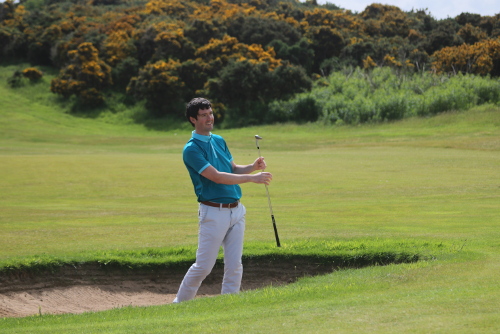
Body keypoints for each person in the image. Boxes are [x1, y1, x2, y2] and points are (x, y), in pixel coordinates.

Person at [173, 97, 273, 303]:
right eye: (203, 115)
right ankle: (178, 305)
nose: (209, 118)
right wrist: (252, 178)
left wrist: (252, 166)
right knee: (203, 267)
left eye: (210, 113)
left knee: (235, 265)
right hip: (213, 212)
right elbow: (217, 176)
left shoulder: (218, 140)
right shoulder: (191, 149)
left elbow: (233, 169)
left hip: (236, 210)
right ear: (193, 119)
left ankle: (229, 305)